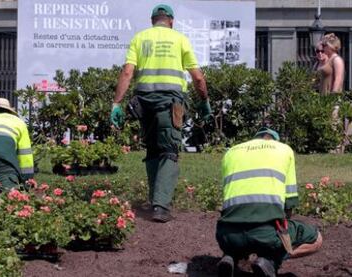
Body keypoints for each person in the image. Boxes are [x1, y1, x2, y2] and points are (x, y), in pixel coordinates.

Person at [110, 4, 211, 223]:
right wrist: (204, 101)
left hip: (144, 103)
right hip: (171, 103)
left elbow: (127, 72)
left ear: (152, 20)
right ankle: (161, 206)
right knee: (169, 152)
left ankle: (155, 199)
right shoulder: (180, 39)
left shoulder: (140, 38)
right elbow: (198, 78)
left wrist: (116, 104)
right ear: (171, 21)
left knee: (153, 150)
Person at [216, 127, 322, 277]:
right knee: (316, 239)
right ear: (273, 139)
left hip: (226, 235)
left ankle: (231, 256)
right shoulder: (284, 150)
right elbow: (289, 204)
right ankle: (270, 261)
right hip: (266, 234)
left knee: (241, 229)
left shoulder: (231, 152)